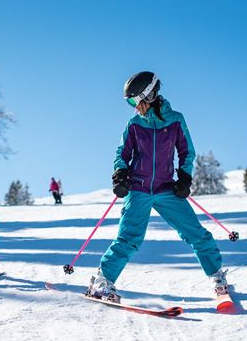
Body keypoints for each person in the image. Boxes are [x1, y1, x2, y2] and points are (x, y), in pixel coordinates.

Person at [87, 71, 228, 303]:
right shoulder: (134, 124)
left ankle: (217, 277)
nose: (133, 106)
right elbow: (121, 154)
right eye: (129, 102)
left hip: (165, 189)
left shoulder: (175, 120)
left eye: (134, 100)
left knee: (196, 234)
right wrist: (120, 174)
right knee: (128, 238)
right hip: (138, 189)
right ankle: (103, 281)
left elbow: (186, 152)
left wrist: (184, 178)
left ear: (149, 95)